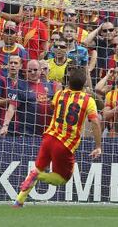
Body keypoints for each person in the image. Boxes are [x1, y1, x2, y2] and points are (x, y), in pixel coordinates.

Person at [13, 66, 102, 207]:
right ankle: (38, 177)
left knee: (38, 168)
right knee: (63, 179)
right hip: (64, 144)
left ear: (68, 82)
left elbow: (53, 107)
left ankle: (19, 201)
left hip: (48, 137)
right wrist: (98, 146)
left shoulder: (59, 94)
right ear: (84, 84)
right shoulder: (88, 100)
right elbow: (96, 122)